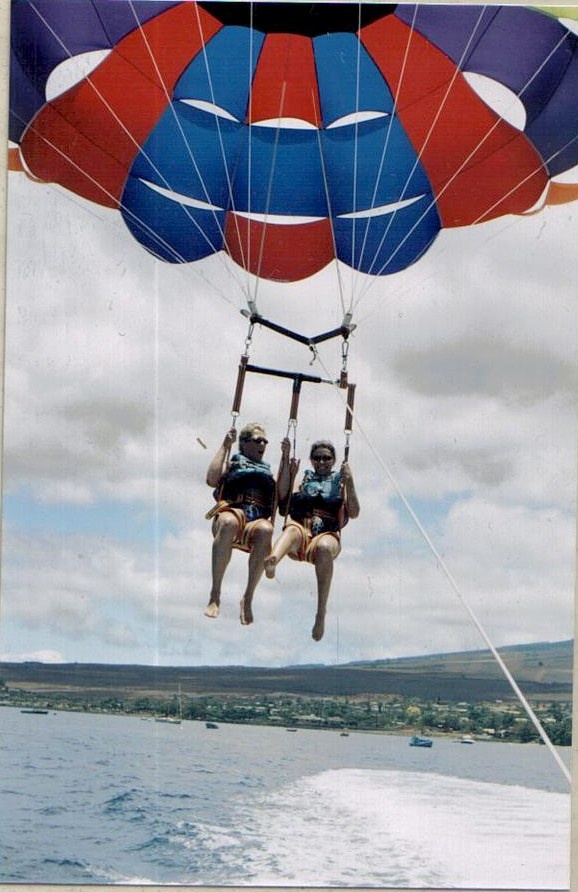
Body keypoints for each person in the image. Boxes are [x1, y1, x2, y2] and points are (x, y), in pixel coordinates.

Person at [264, 440, 360, 641]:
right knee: (291, 529)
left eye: (327, 458)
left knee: (325, 547)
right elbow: (282, 500)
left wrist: (350, 482)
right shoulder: (303, 479)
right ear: (312, 460)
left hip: (326, 534)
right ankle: (273, 560)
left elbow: (354, 512)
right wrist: (289, 473)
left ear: (333, 460)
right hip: (302, 530)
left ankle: (320, 613)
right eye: (317, 458)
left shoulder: (340, 482)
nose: (322, 462)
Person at [204, 423, 291, 625]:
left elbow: (282, 494)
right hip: (232, 512)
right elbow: (211, 479)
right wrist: (226, 445)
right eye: (257, 440)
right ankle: (215, 593)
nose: (263, 444)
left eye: (265, 441)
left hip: (255, 521)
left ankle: (248, 597)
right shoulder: (233, 463)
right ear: (244, 444)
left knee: (266, 529)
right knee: (228, 522)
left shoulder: (268, 472)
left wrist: (285, 458)